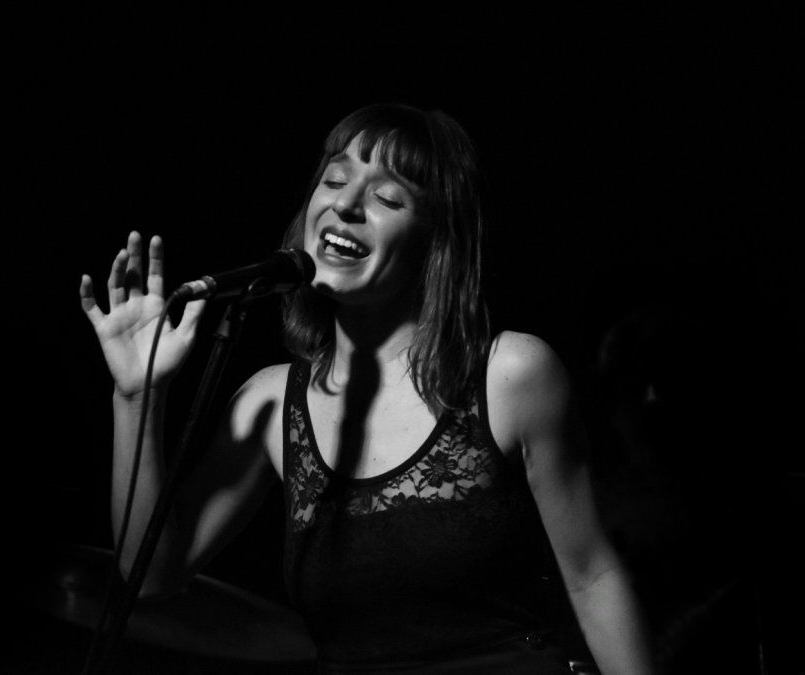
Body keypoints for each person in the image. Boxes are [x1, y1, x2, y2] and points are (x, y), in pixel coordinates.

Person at [80, 103, 654, 674]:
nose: (346, 204)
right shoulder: (270, 403)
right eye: (334, 180)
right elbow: (150, 576)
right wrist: (138, 396)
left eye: (387, 198)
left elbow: (592, 575)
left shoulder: (510, 373)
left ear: (435, 240)